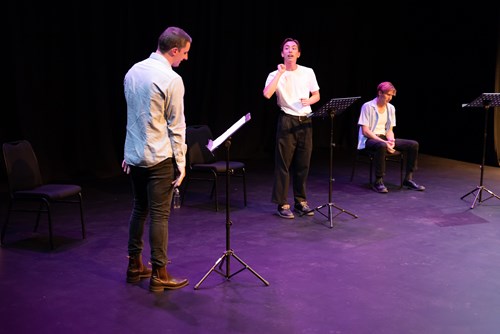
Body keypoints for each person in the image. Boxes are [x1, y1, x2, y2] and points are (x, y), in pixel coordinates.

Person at [121, 26, 192, 292]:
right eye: (184, 53)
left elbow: (133, 118)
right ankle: (159, 273)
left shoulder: (133, 71)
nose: (185, 58)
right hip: (159, 156)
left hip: (136, 155)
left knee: (140, 208)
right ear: (174, 50)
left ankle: (134, 266)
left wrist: (129, 151)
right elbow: (177, 125)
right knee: (160, 215)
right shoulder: (171, 79)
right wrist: (181, 163)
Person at [263, 37, 320, 219]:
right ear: (282, 53)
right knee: (284, 164)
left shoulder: (308, 72)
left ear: (298, 53)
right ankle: (282, 203)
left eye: (293, 48)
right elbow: (267, 94)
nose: (290, 50)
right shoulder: (275, 74)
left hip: (306, 120)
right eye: (286, 48)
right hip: (287, 119)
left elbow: (317, 95)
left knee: (303, 163)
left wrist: (309, 100)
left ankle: (300, 201)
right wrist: (280, 73)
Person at [357, 81, 425, 193]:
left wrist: (391, 141)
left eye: (392, 95)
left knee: (413, 144)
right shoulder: (368, 106)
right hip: (369, 140)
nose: (390, 98)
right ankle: (378, 181)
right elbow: (365, 131)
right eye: (388, 94)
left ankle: (408, 179)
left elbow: (389, 130)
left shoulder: (391, 108)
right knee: (382, 145)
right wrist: (384, 142)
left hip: (384, 139)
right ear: (380, 93)